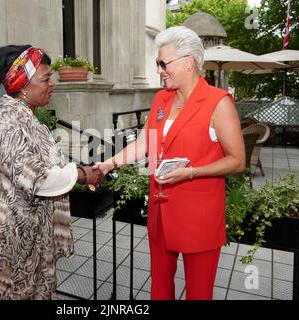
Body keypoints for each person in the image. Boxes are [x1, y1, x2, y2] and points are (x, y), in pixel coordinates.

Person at [94, 26, 245, 300]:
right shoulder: (161, 98)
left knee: (199, 294)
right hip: (161, 212)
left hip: (199, 217)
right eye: (157, 64)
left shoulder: (218, 103)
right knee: (160, 290)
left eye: (163, 63)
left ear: (188, 62)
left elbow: (237, 161)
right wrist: (109, 164)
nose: (159, 70)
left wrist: (191, 173)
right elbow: (144, 144)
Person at [0, 45, 103, 300]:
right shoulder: (6, 119)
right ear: (23, 84)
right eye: (46, 78)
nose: (52, 83)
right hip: (7, 241)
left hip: (27, 236)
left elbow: (42, 164)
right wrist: (82, 174)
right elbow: (37, 178)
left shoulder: (23, 114)